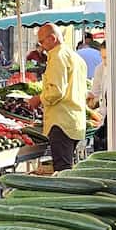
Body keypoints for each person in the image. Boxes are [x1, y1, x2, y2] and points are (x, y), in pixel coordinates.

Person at [27, 23, 86, 172]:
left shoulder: (57, 56)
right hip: (75, 120)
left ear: (52, 38)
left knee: (62, 170)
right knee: (66, 168)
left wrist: (39, 99)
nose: (41, 46)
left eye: (42, 41)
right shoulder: (74, 56)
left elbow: (56, 91)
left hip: (61, 122)